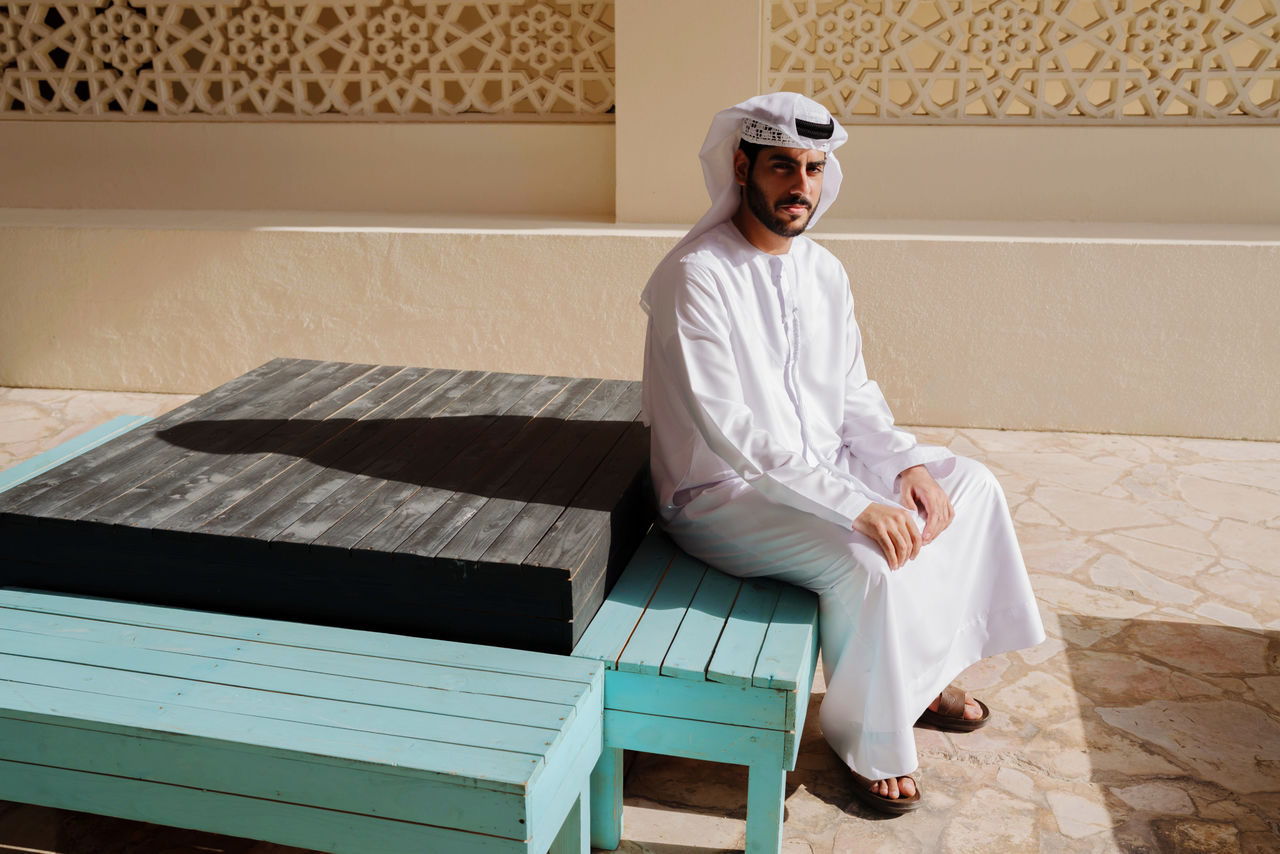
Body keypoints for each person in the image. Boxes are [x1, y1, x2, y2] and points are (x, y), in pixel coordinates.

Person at [639, 93, 1045, 814]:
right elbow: (735, 431)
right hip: (723, 494)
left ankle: (916, 682)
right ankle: (870, 740)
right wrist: (855, 504)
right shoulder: (695, 276)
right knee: (866, 560)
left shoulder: (822, 271)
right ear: (742, 167)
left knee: (970, 485)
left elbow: (854, 394)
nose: (801, 186)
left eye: (814, 169)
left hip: (817, 466)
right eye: (782, 168)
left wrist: (903, 468)